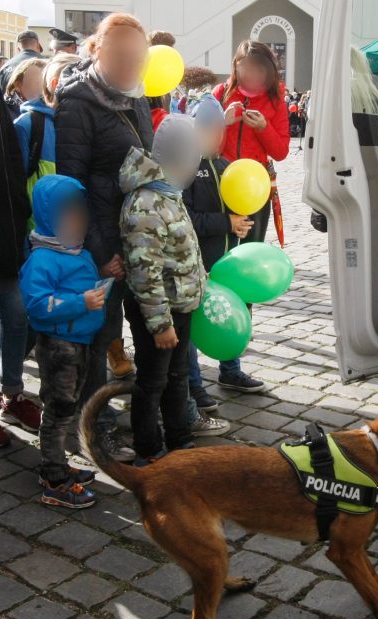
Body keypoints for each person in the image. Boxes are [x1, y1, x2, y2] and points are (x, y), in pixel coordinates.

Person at [56, 12, 152, 461]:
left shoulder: (139, 97)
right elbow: (71, 185)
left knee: (149, 327)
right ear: (97, 50)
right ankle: (99, 428)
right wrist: (99, 251)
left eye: (138, 56)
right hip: (104, 243)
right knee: (102, 338)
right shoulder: (78, 101)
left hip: (140, 239)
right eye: (120, 54)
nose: (130, 63)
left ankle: (150, 417)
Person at [119, 114, 206, 465]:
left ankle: (179, 439)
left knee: (177, 376)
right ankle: (149, 448)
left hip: (179, 307)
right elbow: (145, 273)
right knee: (153, 381)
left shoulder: (169, 193)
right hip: (159, 314)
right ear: (176, 159)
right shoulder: (146, 203)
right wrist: (160, 324)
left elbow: (180, 248)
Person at [19, 175, 104, 508]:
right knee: (58, 410)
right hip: (58, 346)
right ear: (48, 215)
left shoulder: (75, 250)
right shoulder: (42, 258)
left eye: (78, 212)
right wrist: (81, 302)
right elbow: (37, 304)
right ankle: (54, 480)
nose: (76, 219)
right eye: (67, 213)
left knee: (66, 407)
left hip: (79, 342)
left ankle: (53, 464)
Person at [182, 93, 256, 412]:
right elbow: (187, 219)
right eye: (207, 128)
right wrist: (227, 222)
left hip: (227, 263)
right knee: (193, 325)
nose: (215, 135)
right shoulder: (185, 169)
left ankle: (230, 370)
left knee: (229, 312)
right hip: (197, 264)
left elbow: (241, 203)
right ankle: (193, 384)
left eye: (218, 129)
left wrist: (240, 225)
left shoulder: (228, 166)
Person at [212, 40, 289, 245]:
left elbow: (281, 151)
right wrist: (222, 123)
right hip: (220, 182)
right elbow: (201, 143)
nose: (251, 74)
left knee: (251, 248)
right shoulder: (220, 94)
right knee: (220, 248)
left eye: (258, 68)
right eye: (245, 66)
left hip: (255, 186)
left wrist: (264, 128)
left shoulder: (276, 100)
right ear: (235, 65)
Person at [0, 99, 36, 447]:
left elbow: (12, 163)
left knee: (17, 317)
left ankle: (11, 393)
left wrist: (21, 211)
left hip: (8, 234)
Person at [15, 53, 81, 221]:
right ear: (55, 85)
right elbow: (14, 190)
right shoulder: (28, 125)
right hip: (37, 235)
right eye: (79, 84)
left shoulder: (85, 124)